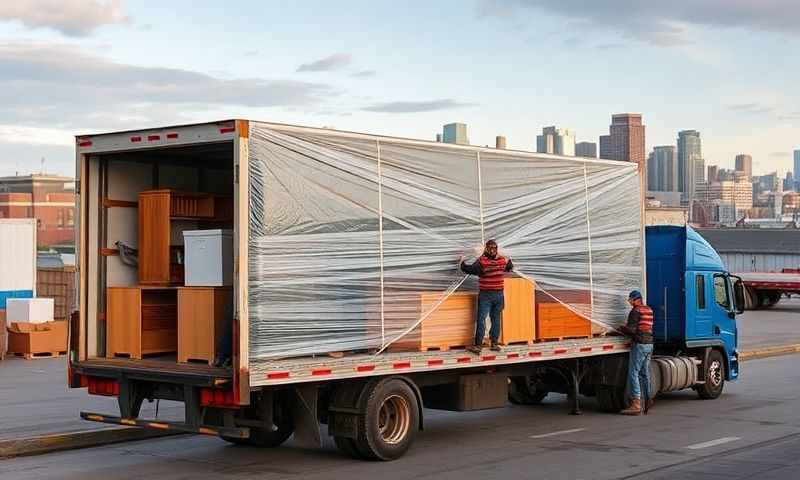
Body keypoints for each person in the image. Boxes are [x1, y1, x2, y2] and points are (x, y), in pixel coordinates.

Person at [460, 239, 514, 354]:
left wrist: (461, 262)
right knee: (495, 319)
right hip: (499, 295)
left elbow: (467, 269)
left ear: (485, 249)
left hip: (486, 295)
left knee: (481, 319)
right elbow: (510, 266)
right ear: (497, 250)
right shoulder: (502, 261)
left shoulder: (482, 262)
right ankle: (494, 343)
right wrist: (502, 255)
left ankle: (478, 345)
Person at [619, 290, 654, 415]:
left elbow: (632, 331)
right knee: (645, 373)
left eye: (631, 299)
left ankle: (636, 404)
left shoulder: (635, 311)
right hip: (649, 345)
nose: (629, 301)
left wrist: (620, 329)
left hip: (639, 345)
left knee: (633, 373)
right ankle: (648, 399)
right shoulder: (649, 309)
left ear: (637, 299)